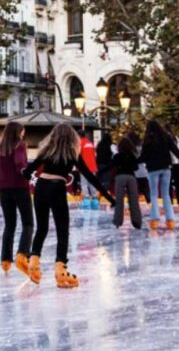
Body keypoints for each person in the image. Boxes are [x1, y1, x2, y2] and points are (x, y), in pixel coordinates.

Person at [23, 123, 114, 288]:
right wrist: (109, 197)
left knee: (41, 228)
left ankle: (33, 265)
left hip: (41, 187)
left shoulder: (47, 152)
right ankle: (61, 272)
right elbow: (90, 177)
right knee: (62, 230)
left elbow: (27, 171)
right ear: (72, 138)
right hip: (57, 187)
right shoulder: (72, 154)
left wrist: (28, 175)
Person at [0, 121, 33, 276]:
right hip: (20, 188)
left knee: (9, 225)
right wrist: (27, 173)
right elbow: (20, 165)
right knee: (28, 223)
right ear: (18, 132)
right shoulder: (19, 145)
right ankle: (22, 254)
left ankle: (5, 260)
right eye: (22, 131)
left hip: (4, 190)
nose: (23, 133)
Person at [138, 120, 179, 230]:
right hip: (166, 168)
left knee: (153, 194)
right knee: (166, 195)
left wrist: (132, 162)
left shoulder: (147, 139)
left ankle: (154, 219)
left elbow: (143, 157)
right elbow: (177, 151)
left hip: (153, 169)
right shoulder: (166, 137)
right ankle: (170, 220)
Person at [111, 136, 143, 229]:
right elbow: (136, 167)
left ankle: (118, 221)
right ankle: (137, 222)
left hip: (120, 177)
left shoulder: (117, 156)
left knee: (119, 200)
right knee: (133, 200)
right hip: (131, 177)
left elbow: (111, 165)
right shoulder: (132, 155)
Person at [77, 127, 99, 209]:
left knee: (84, 184)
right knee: (92, 184)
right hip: (93, 167)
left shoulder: (80, 143)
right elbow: (95, 155)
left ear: (78, 136)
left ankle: (86, 201)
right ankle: (95, 200)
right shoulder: (90, 143)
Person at [95, 130, 115, 200]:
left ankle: (97, 194)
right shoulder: (110, 145)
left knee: (99, 180)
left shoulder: (99, 145)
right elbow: (114, 154)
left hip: (98, 164)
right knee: (106, 181)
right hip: (107, 165)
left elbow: (96, 154)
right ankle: (104, 194)